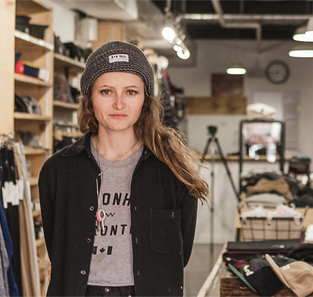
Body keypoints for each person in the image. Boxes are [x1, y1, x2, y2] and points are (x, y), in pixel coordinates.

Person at [38, 41, 209, 297]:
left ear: (145, 100)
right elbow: (58, 247)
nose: (119, 104)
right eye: (106, 92)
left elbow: (179, 253)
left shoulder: (173, 170)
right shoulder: (58, 170)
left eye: (131, 92)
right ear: (89, 99)